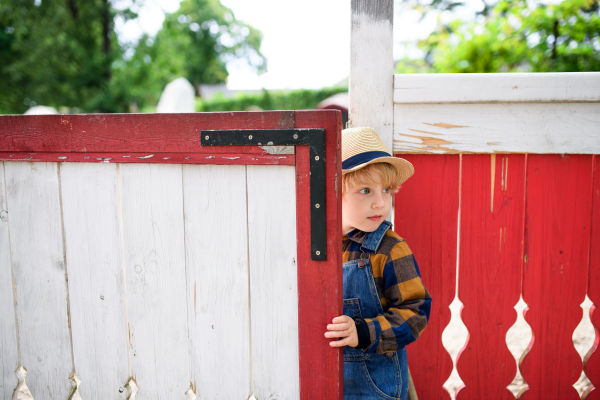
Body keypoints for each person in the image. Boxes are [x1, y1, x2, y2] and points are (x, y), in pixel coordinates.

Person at [324, 127, 432, 400]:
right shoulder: (315, 249)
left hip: (376, 388)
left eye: (386, 190)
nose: (380, 203)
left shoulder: (389, 249)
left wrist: (363, 331)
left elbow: (416, 311)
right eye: (365, 190)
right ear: (333, 191)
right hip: (323, 381)